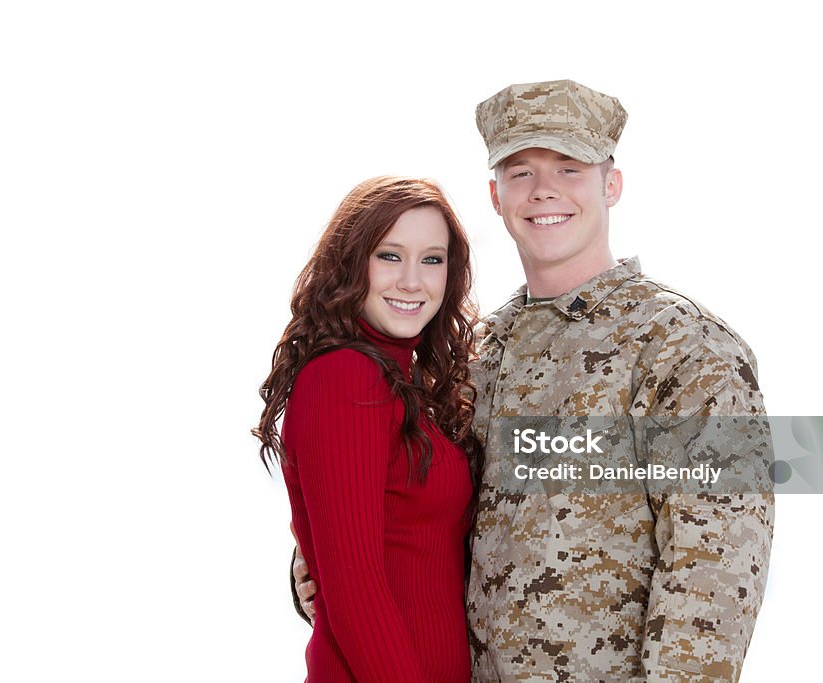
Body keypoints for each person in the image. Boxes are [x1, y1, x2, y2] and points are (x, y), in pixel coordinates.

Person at [293, 80, 774, 682]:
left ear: (611, 184)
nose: (544, 189)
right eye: (520, 171)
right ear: (495, 196)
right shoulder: (476, 356)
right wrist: (315, 563)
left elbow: (714, 575)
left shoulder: (684, 348)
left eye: (569, 167)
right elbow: (412, 501)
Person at [255, 176, 482, 682]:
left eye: (431, 259)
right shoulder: (345, 378)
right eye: (389, 255)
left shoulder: (407, 383)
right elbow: (356, 589)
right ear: (349, 263)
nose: (411, 281)